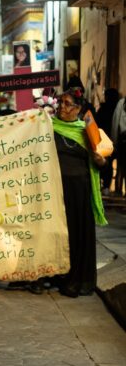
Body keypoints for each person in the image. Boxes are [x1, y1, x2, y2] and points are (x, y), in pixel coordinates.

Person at [52, 88, 108, 297]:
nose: (61, 108)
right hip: (57, 191)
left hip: (81, 191)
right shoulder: (48, 128)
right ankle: (61, 277)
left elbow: (102, 159)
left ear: (78, 109)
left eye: (67, 104)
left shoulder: (88, 131)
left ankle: (79, 280)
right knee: (61, 236)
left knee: (79, 235)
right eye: (60, 102)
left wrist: (101, 160)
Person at [94, 88, 120, 194]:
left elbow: (97, 123)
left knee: (104, 163)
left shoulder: (103, 108)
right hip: (115, 139)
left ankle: (104, 185)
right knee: (114, 164)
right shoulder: (117, 108)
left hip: (103, 140)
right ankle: (110, 187)